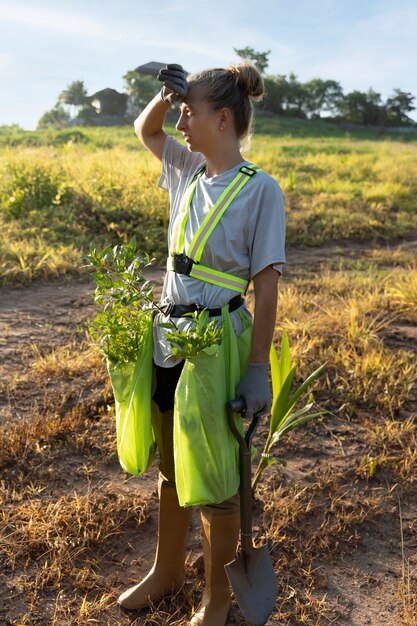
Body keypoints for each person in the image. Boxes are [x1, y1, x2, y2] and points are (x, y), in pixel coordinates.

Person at [117, 62, 286, 626]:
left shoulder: (260, 190)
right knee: (171, 463)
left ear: (223, 118)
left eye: (191, 110)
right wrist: (167, 95)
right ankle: (166, 573)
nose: (182, 119)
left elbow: (265, 285)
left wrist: (258, 368)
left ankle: (215, 597)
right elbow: (147, 130)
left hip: (218, 348)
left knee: (215, 476)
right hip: (169, 336)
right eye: (180, 108)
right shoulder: (187, 170)